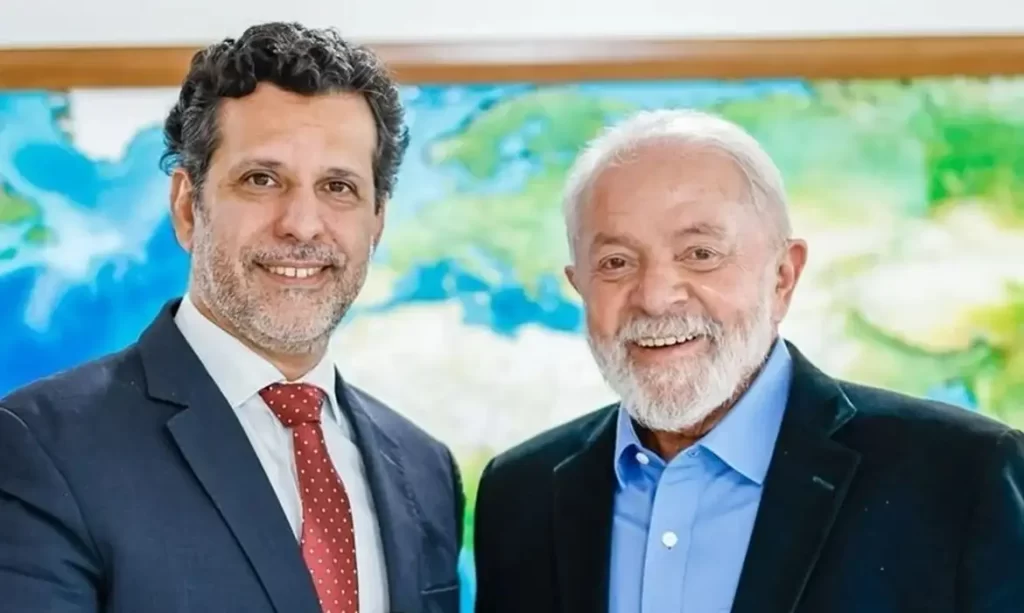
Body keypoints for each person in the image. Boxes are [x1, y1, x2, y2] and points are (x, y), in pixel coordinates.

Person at [472, 109, 1024, 613]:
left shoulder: (962, 477)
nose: (656, 297)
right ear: (580, 287)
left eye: (701, 254)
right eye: (616, 262)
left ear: (783, 276)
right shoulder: (521, 494)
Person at [0, 22, 463, 613]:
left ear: (376, 222)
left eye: (338, 186)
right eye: (261, 179)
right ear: (187, 207)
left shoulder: (425, 468)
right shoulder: (42, 448)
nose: (302, 224)